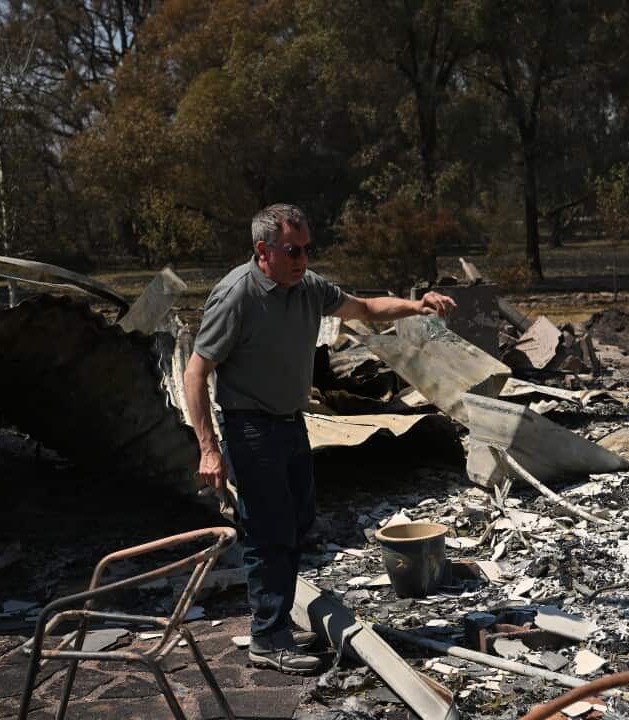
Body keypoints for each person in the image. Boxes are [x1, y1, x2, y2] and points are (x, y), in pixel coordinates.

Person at [183, 203, 456, 674]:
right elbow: (195, 370)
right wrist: (208, 448)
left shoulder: (308, 288)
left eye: (308, 249)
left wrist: (418, 305)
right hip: (249, 427)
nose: (303, 259)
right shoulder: (237, 296)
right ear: (263, 250)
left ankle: (279, 623)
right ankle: (268, 638)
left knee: (297, 522)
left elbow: (366, 309)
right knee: (269, 532)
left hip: (289, 422)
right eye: (293, 250)